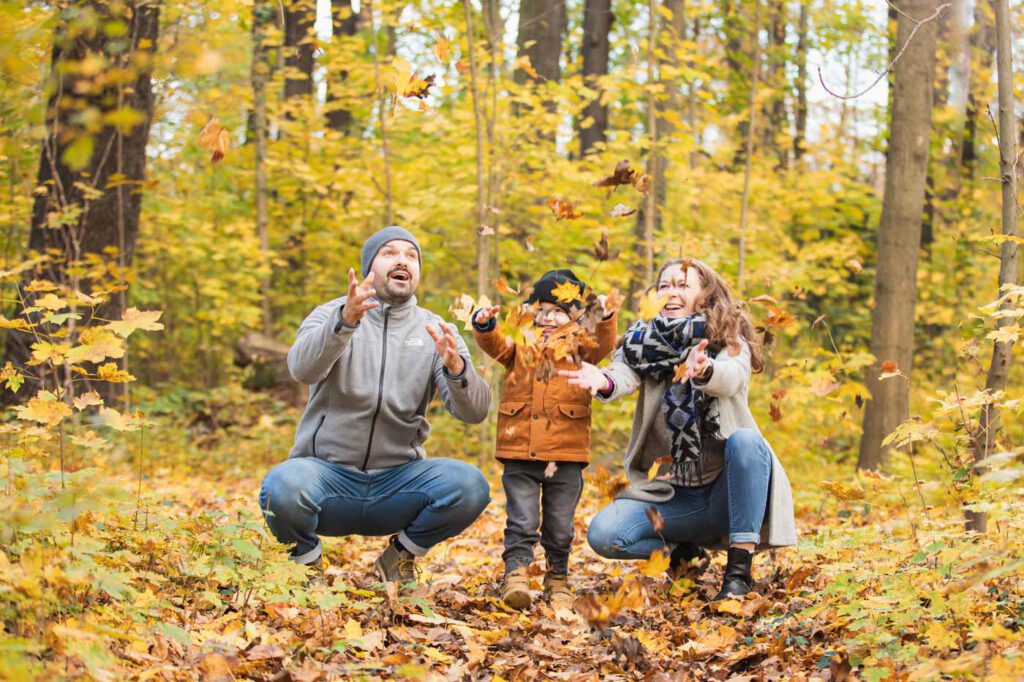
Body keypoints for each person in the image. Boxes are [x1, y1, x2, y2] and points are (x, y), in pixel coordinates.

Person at [259, 226, 492, 586]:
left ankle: (399, 557)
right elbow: (302, 369)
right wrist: (345, 322)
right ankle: (307, 566)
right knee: (281, 486)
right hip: (327, 480)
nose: (402, 260)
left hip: (397, 485)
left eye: (411, 256)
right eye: (390, 253)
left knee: (470, 485)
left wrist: (457, 369)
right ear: (370, 265)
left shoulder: (436, 330)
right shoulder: (331, 313)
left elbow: (474, 412)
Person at [560, 258, 796, 600]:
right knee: (605, 535)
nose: (671, 292)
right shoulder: (641, 342)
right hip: (675, 497)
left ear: (704, 296)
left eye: (683, 285)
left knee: (746, 441)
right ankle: (684, 554)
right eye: (665, 285)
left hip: (728, 495)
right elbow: (623, 374)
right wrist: (603, 380)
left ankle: (738, 573)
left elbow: (732, 377)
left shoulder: (728, 339)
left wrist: (705, 370)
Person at [471, 269, 618, 609]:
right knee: (521, 519)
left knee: (560, 524)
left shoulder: (581, 343)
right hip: (519, 448)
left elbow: (604, 344)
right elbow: (496, 345)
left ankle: (557, 579)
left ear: (574, 315)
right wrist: (485, 326)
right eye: (542, 310)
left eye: (559, 311)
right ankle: (516, 574)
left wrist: (606, 318)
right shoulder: (520, 339)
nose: (549, 318)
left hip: (566, 452)